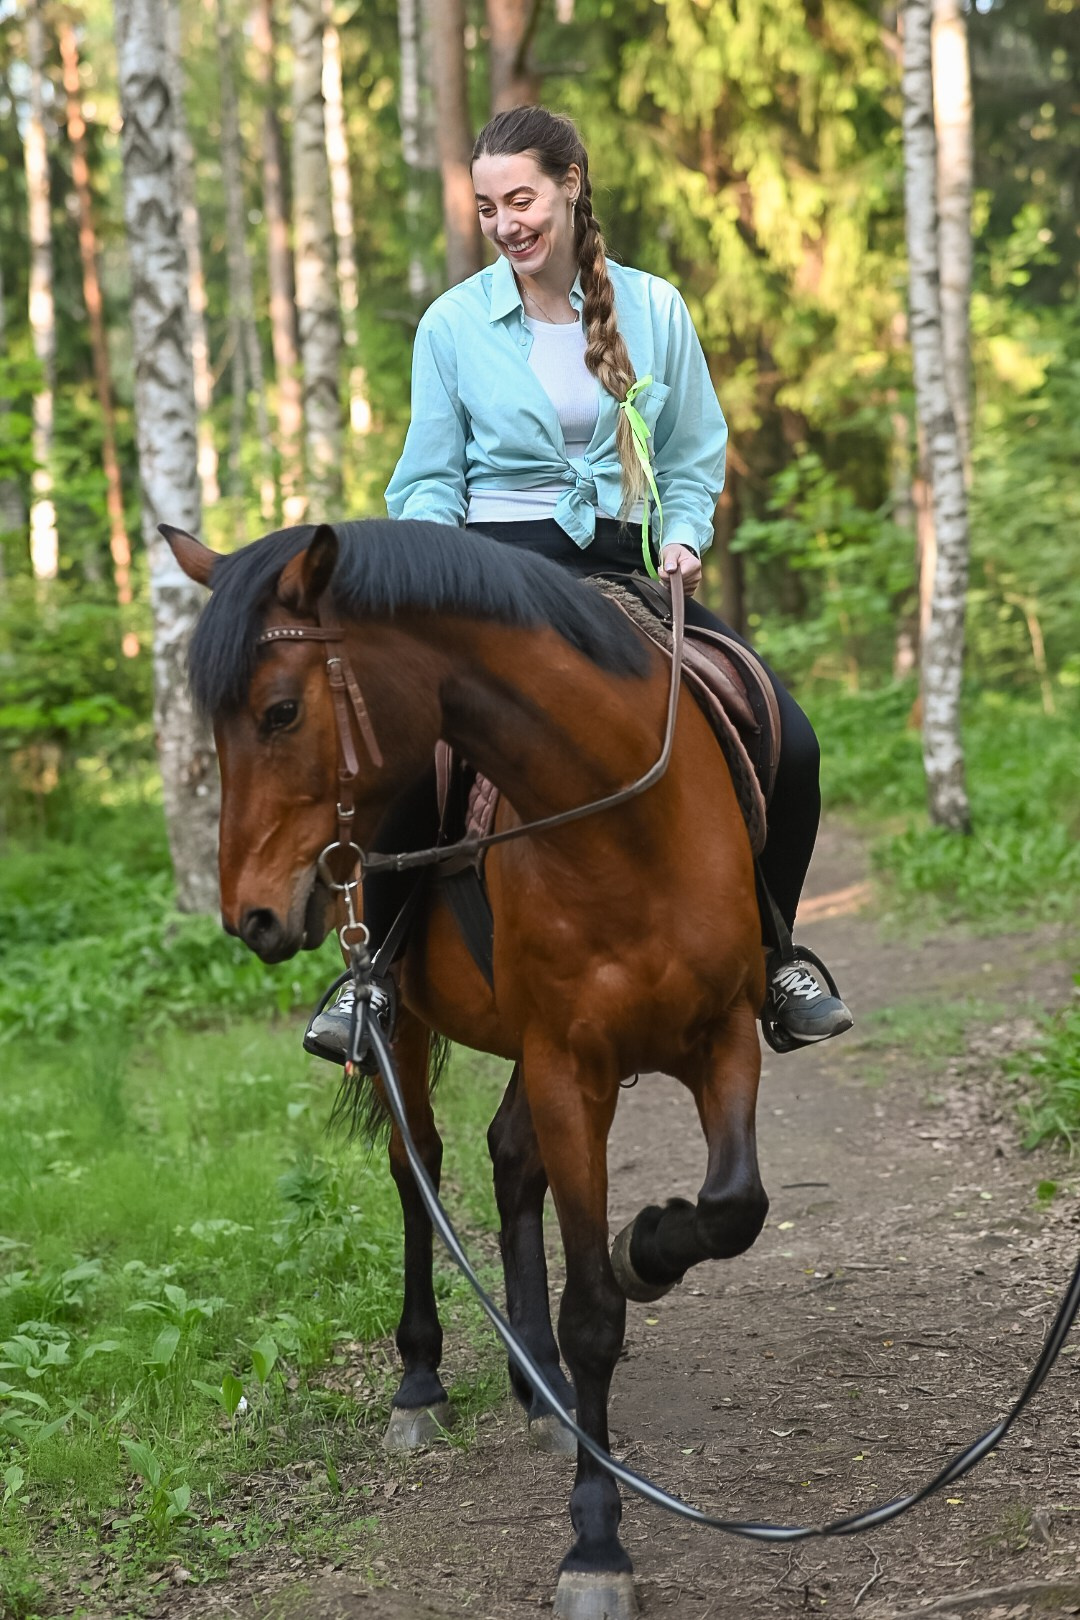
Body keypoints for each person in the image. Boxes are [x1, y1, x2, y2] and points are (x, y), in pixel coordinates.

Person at [304, 105, 852, 1066]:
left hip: (622, 571)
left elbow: (692, 454)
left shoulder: (655, 309)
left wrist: (681, 536)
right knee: (411, 758)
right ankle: (378, 979)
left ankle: (777, 956)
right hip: (494, 576)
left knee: (790, 736)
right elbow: (428, 478)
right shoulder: (453, 325)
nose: (507, 223)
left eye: (522, 198)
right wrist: (443, 572)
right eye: (487, 207)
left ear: (571, 184)